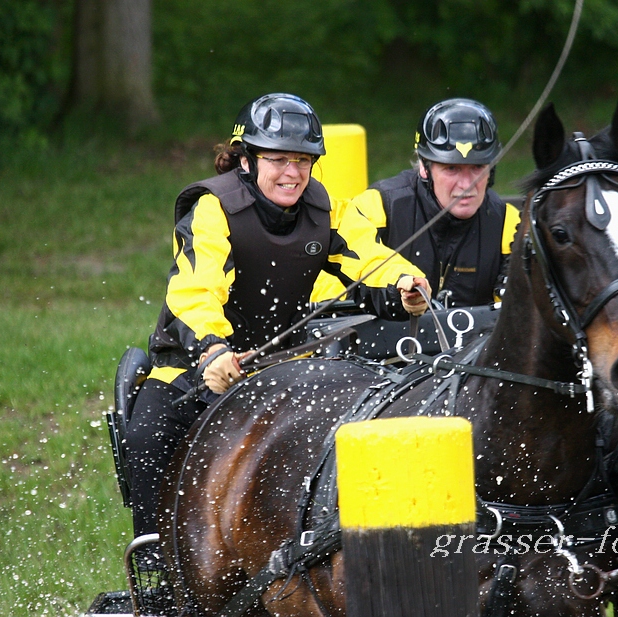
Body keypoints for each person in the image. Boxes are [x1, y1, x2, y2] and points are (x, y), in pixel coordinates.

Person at [125, 93, 430, 545]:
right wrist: (212, 348)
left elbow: (369, 255)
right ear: (246, 160)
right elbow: (196, 290)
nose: (293, 173)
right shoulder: (211, 208)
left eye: (304, 161)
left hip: (282, 370)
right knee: (147, 436)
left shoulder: (325, 209)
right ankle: (153, 568)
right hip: (191, 365)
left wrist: (406, 283)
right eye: (279, 160)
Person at [312, 98, 520, 307]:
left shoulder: (508, 223)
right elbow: (328, 287)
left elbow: (518, 318)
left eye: (477, 168)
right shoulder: (380, 206)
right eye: (452, 169)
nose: (467, 184)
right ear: (424, 167)